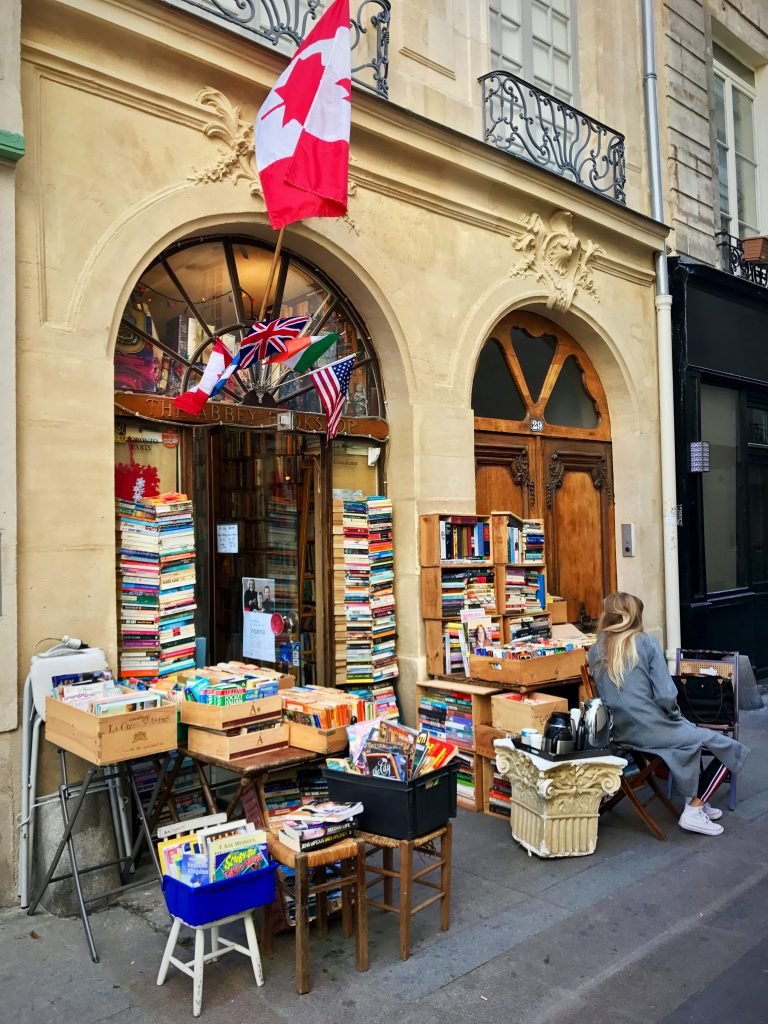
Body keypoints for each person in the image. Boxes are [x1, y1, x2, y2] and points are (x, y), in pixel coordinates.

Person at [588, 591, 749, 837]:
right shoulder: (646, 643)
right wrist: (676, 717)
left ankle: (697, 799)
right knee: (729, 746)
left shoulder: (595, 650)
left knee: (694, 738)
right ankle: (694, 810)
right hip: (653, 729)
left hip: (619, 732)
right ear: (634, 616)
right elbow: (665, 696)